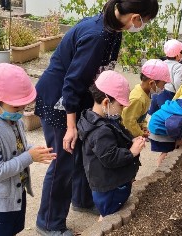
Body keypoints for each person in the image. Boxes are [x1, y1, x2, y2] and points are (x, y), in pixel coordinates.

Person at [34, 0, 159, 234]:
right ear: (135, 17)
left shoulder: (113, 29)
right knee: (64, 160)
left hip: (78, 98)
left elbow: (99, 75)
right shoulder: (96, 36)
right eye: (146, 20)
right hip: (58, 98)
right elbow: (71, 83)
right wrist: (71, 127)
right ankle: (48, 222)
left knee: (83, 150)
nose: (144, 25)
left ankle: (82, 199)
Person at [0, 64, 56, 235]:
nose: (21, 112)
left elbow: (18, 148)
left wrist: (33, 150)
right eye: (16, 108)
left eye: (24, 107)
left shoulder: (12, 119)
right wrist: (29, 157)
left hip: (15, 194)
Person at [77, 70, 145, 221]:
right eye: (121, 105)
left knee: (108, 213)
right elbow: (110, 157)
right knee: (109, 216)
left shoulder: (93, 117)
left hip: (108, 182)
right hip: (110, 186)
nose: (122, 110)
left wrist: (131, 139)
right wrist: (132, 152)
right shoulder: (100, 131)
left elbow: (119, 132)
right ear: (106, 102)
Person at [122, 59, 170, 138]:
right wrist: (141, 133)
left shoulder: (146, 94)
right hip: (127, 135)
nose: (163, 88)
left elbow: (141, 115)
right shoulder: (138, 99)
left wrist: (143, 126)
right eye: (163, 84)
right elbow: (129, 121)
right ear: (151, 83)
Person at [148, 39, 182, 115]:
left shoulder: (162, 63)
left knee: (153, 114)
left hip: (156, 92)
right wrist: (179, 95)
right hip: (168, 94)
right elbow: (177, 81)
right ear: (178, 55)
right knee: (166, 115)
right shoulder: (178, 66)